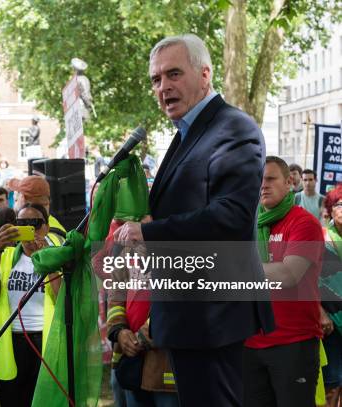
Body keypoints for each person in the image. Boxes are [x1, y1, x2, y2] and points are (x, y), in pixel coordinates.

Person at [112, 34, 273, 406]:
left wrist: (149, 231)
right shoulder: (186, 135)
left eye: (173, 74)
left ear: (205, 75)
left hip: (212, 315)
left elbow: (231, 217)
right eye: (156, 79)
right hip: (187, 314)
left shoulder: (234, 128)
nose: (163, 87)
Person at [244, 156, 323, 407]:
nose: (263, 186)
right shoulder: (248, 225)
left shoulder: (304, 222)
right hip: (249, 342)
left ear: (289, 182)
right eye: (258, 180)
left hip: (293, 343)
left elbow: (289, 275)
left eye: (270, 179)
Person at [0, 203, 61, 407]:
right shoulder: (5, 256)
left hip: (45, 342)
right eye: (22, 223)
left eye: (34, 223)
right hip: (11, 341)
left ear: (45, 227)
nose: (29, 228)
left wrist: (46, 257)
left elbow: (63, 296)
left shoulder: (58, 256)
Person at [318, 186, 342, 406]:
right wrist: (321, 312)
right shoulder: (321, 238)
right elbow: (307, 280)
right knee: (331, 382)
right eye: (340, 204)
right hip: (331, 322)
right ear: (331, 209)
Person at [9, 175, 66, 244]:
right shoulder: (52, 225)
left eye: (17, 193)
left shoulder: (42, 239)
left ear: (23, 198)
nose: (14, 197)